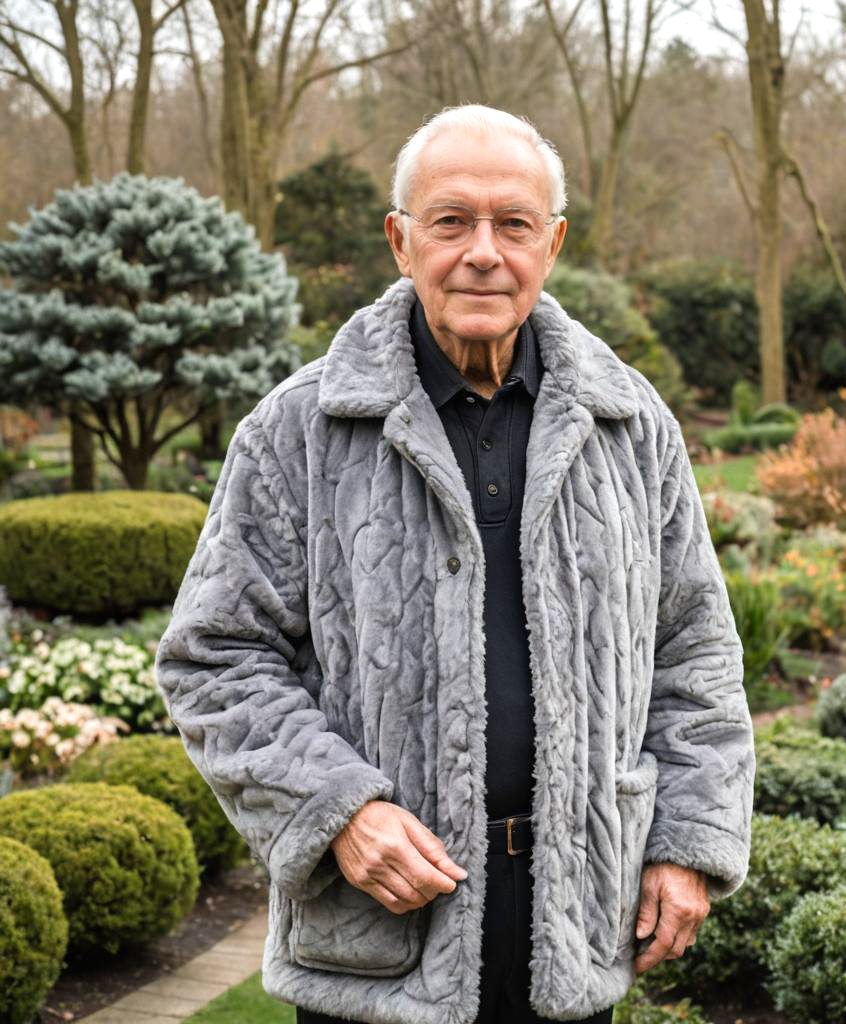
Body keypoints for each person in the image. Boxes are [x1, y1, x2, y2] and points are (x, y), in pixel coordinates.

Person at [155, 104, 755, 1024]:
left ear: (551, 243)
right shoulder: (297, 431)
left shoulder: (632, 428)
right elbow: (214, 656)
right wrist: (339, 811)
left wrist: (687, 841)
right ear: (402, 241)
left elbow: (696, 655)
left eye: (513, 224)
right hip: (380, 939)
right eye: (451, 221)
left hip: (576, 921)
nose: (484, 250)